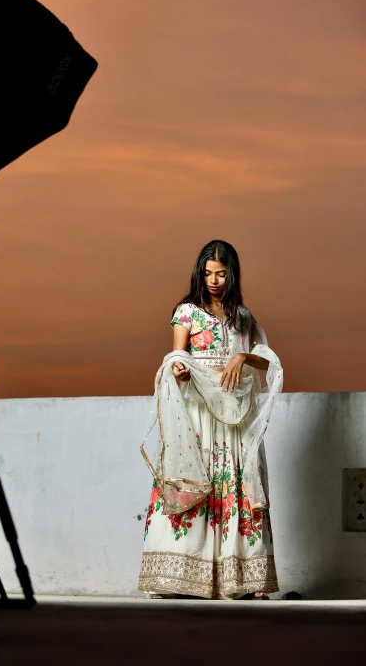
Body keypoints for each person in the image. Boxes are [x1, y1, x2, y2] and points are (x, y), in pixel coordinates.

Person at [138, 240, 283, 600]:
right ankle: (182, 578)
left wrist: (243, 359)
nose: (213, 280)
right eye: (207, 273)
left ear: (231, 274)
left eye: (220, 273)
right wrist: (179, 370)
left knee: (236, 486)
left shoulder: (243, 317)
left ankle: (241, 580)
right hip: (199, 415)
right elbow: (176, 355)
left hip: (235, 419)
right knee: (195, 484)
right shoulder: (187, 312)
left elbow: (267, 360)